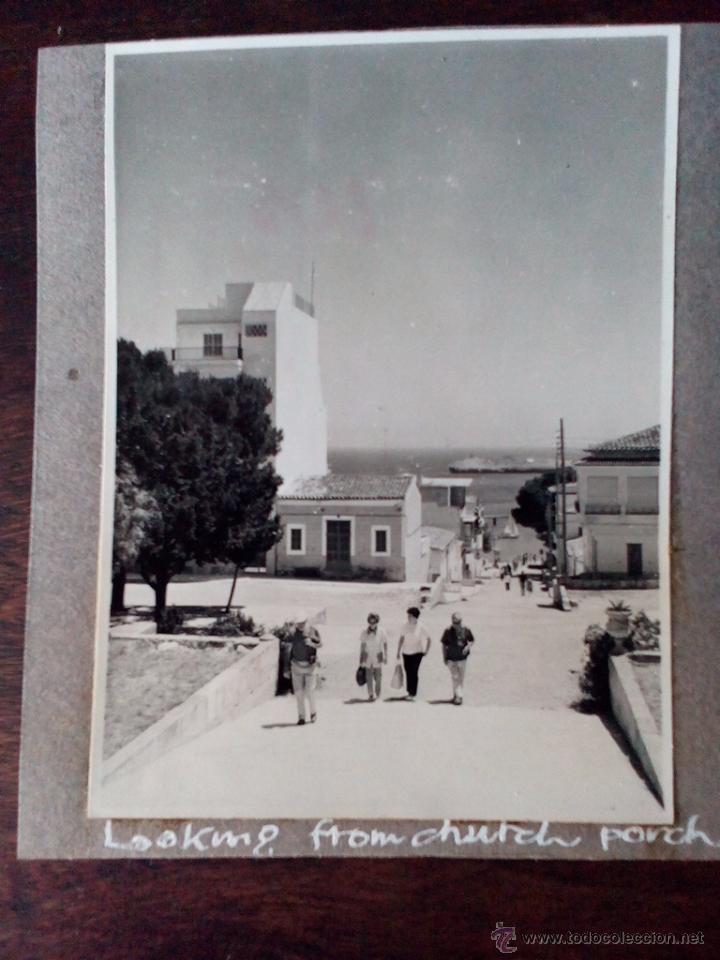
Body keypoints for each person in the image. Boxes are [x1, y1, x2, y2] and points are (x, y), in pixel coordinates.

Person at [289, 611, 322, 725]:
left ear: (306, 621)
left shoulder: (313, 631)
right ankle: (301, 717)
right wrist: (286, 668)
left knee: (309, 692)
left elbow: (320, 644)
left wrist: (312, 644)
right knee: (298, 693)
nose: (300, 625)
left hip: (310, 666)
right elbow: (288, 648)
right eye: (298, 623)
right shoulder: (292, 632)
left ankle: (313, 713)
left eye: (302, 622)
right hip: (296, 666)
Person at [396, 606, 431, 701]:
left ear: (415, 616)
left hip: (417, 653)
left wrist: (426, 650)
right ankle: (409, 691)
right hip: (406, 652)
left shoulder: (421, 626)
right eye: (408, 615)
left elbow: (429, 639)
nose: (408, 617)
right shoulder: (405, 625)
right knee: (408, 672)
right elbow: (401, 638)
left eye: (410, 615)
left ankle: (413, 693)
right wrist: (398, 651)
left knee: (414, 672)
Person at [441, 613, 475, 705]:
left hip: (462, 659)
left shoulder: (466, 630)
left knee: (460, 679)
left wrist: (467, 647)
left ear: (461, 622)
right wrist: (444, 657)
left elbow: (471, 640)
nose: (456, 625)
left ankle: (456, 696)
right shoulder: (448, 631)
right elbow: (444, 645)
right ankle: (459, 697)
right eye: (454, 623)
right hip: (451, 659)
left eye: (458, 622)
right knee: (455, 677)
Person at [358, 612, 388, 701]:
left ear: (377, 622)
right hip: (367, 657)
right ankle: (370, 694)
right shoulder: (364, 632)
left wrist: (386, 655)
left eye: (374, 622)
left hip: (378, 656)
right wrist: (361, 659)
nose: (372, 624)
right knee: (368, 677)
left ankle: (378, 694)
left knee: (378, 677)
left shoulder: (382, 631)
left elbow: (385, 643)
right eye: (370, 622)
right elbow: (362, 645)